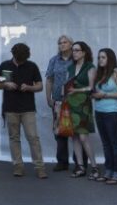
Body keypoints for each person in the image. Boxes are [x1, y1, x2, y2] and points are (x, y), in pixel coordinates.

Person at [0, 43, 46, 179]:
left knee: (33, 137)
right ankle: (18, 166)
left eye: (24, 60)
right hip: (10, 108)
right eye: (19, 59)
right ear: (13, 55)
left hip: (28, 108)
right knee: (14, 138)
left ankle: (40, 167)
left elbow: (40, 86)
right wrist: (5, 84)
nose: (21, 62)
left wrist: (29, 87)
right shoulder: (5, 66)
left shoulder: (32, 66)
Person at [45, 34, 86, 172]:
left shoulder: (77, 60)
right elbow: (49, 79)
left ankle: (80, 162)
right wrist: (48, 97)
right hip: (58, 100)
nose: (62, 44)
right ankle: (62, 162)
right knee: (59, 131)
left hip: (75, 101)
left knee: (76, 131)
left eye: (65, 42)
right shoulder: (54, 60)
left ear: (71, 44)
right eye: (59, 42)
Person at [91, 48, 117, 184]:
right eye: (99, 57)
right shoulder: (99, 74)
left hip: (113, 112)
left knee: (115, 143)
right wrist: (94, 94)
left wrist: (104, 95)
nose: (100, 59)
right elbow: (94, 91)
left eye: (103, 57)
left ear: (110, 58)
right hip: (99, 111)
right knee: (106, 144)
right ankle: (108, 171)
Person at [65, 41, 100, 180]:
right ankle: (80, 166)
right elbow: (68, 84)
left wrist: (76, 90)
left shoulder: (90, 67)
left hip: (83, 105)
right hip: (71, 103)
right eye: (73, 50)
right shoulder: (71, 67)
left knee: (84, 136)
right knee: (74, 136)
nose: (74, 52)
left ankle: (94, 167)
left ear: (84, 52)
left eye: (77, 50)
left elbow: (92, 88)